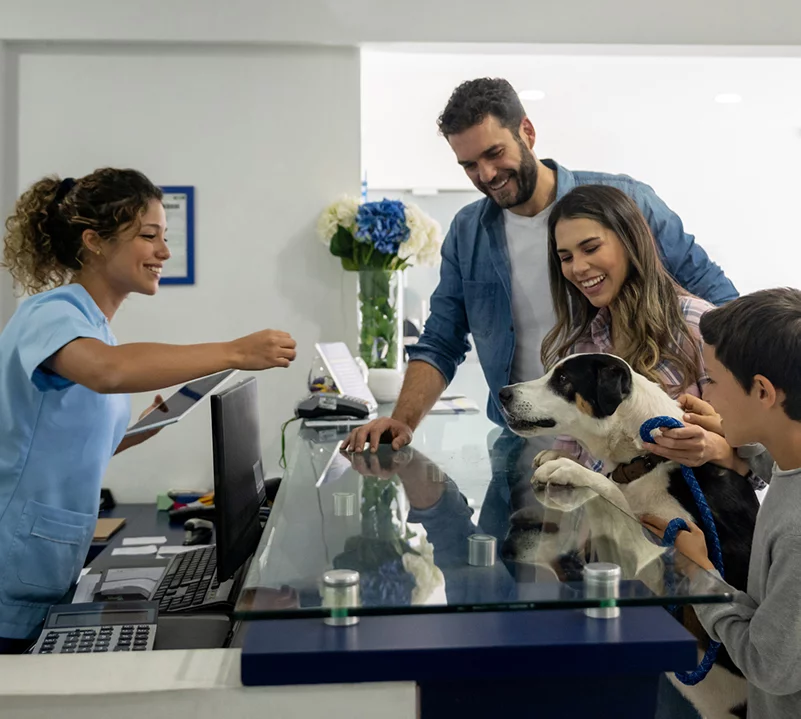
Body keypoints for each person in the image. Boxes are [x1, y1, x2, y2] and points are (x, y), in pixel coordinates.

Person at [342, 77, 737, 454]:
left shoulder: (625, 200)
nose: (487, 174)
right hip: (525, 444)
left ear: (527, 132)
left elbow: (720, 303)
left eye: (494, 153)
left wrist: (727, 436)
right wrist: (403, 421)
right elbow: (442, 338)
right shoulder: (467, 231)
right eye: (469, 165)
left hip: (635, 444)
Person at [0, 168, 297, 650]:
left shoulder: (92, 327)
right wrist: (235, 351)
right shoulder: (49, 314)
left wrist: (140, 430)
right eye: (149, 236)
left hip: (44, 564)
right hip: (13, 564)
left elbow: (58, 442)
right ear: (94, 241)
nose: (164, 252)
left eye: (165, 237)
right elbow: (109, 371)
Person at [642, 287, 801, 719]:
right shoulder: (789, 463)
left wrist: (700, 573)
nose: (705, 395)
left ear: (764, 392)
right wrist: (730, 441)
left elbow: (768, 665)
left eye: (711, 379)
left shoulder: (796, 533)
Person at [541, 184, 763, 484]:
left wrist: (715, 450)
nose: (578, 267)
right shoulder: (584, 344)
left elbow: (762, 470)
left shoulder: (697, 324)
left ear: (630, 241)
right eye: (566, 257)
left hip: (693, 524)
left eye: (591, 248)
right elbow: (573, 453)